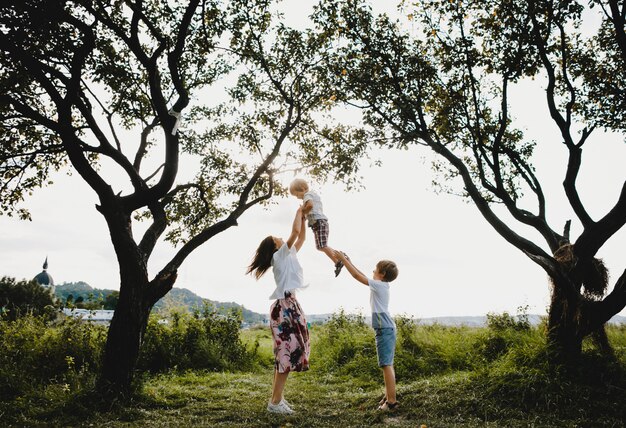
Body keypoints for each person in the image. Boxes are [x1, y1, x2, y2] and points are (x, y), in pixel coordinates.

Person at [246, 206, 310, 415]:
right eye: (278, 238)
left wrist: (306, 219)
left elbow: (301, 239)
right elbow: (294, 234)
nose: (282, 238)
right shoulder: (279, 257)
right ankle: (275, 403)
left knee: (286, 356)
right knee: (286, 356)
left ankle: (277, 400)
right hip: (284, 307)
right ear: (275, 247)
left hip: (290, 305)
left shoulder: (287, 255)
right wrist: (299, 211)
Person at [334, 250, 399, 411]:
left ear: (382, 274)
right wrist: (349, 260)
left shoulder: (379, 285)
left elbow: (357, 276)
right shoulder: (381, 285)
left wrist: (343, 259)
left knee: (386, 365)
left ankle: (391, 402)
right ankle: (389, 395)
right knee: (387, 364)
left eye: (375, 270)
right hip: (386, 328)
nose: (372, 272)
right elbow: (361, 274)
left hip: (384, 329)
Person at [289, 178, 343, 276]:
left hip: (319, 222)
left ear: (302, 188)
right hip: (318, 223)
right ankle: (338, 260)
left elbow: (310, 206)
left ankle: (339, 260)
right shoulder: (312, 195)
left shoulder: (307, 195)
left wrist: (302, 211)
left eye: (296, 194)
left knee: (322, 245)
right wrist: (304, 216)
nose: (297, 197)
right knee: (320, 246)